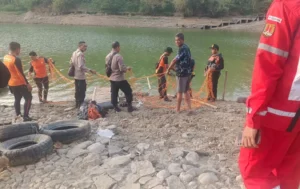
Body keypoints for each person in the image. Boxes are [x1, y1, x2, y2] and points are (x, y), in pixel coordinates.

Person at [239, 1, 300, 189]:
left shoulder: (286, 6)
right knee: (289, 174)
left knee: (254, 172)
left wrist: (253, 117)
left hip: (279, 113)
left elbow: (268, 65)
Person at [3, 42, 33, 121]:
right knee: (29, 98)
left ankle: (18, 115)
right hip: (19, 82)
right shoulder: (16, 59)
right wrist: (27, 84)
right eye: (20, 49)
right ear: (17, 49)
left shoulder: (5, 57)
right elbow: (21, 73)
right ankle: (26, 116)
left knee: (17, 98)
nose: (20, 51)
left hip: (11, 82)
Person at [106, 41, 134, 112]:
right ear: (118, 47)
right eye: (119, 47)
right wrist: (127, 68)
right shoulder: (118, 56)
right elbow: (122, 69)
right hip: (119, 79)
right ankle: (130, 107)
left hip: (112, 78)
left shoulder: (108, 56)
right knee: (128, 91)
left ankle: (116, 107)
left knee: (114, 93)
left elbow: (107, 67)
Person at [167, 33, 192, 113]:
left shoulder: (182, 48)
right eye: (175, 40)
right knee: (186, 91)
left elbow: (175, 60)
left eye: (178, 40)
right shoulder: (186, 47)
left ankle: (177, 109)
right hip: (188, 73)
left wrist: (169, 68)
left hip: (181, 74)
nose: (176, 41)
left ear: (182, 40)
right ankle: (189, 108)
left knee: (179, 92)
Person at [71, 41, 96, 108]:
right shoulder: (80, 54)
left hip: (76, 75)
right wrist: (90, 70)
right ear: (80, 46)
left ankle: (77, 104)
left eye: (86, 46)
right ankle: (81, 105)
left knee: (77, 90)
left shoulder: (74, 53)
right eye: (84, 46)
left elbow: (71, 63)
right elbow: (81, 66)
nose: (86, 48)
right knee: (82, 91)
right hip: (80, 76)